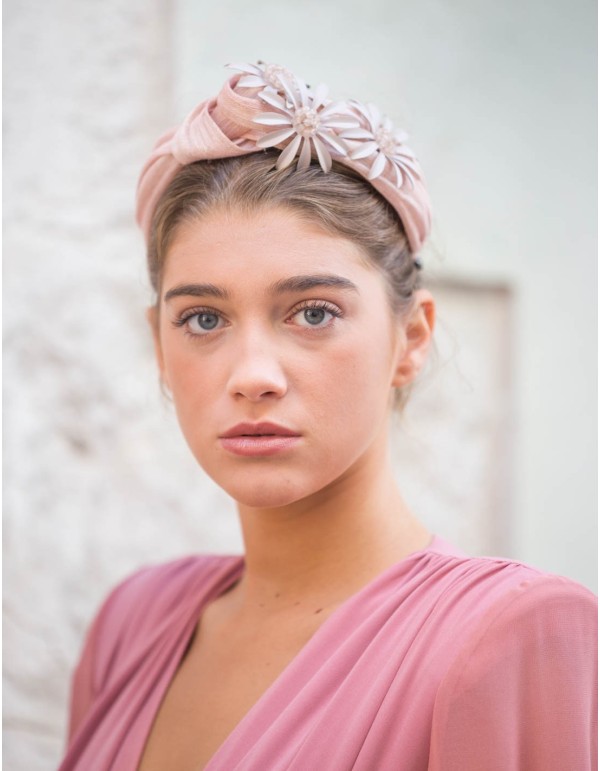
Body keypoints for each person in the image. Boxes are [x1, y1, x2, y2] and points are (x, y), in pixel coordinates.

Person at [59, 62, 597, 771]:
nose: (253, 374)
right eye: (203, 317)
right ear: (159, 344)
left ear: (412, 337)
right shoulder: (131, 625)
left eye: (313, 312)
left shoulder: (511, 633)